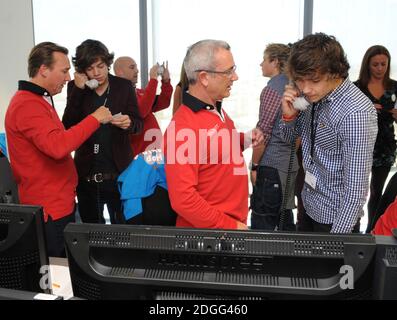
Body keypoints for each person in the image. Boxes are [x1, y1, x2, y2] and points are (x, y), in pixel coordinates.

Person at [5, 42, 112, 257]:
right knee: (58, 275)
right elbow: (58, 146)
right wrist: (94, 119)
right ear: (43, 69)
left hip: (59, 203)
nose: (67, 78)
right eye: (63, 71)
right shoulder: (28, 105)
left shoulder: (38, 100)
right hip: (49, 209)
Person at [280, 33, 378, 233]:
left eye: (313, 80)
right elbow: (289, 139)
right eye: (299, 80)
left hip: (334, 220)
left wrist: (335, 242)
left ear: (335, 72)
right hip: (308, 203)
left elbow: (356, 191)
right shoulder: (315, 96)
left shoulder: (355, 112)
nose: (305, 89)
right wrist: (289, 118)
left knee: (323, 266)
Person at [163, 39, 264, 230]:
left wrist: (244, 139)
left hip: (226, 231)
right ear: (204, 77)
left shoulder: (215, 110)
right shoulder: (182, 129)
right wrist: (231, 227)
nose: (235, 77)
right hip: (210, 238)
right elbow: (183, 200)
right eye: (228, 72)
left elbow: (213, 151)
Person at [62, 39, 143, 225]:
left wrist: (129, 123)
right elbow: (67, 125)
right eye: (90, 69)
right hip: (87, 175)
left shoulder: (123, 86)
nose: (97, 73)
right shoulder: (76, 88)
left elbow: (139, 124)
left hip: (120, 174)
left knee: (124, 233)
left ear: (108, 64)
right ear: (82, 71)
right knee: (91, 234)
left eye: (101, 66)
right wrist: (80, 90)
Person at [250, 43, 298, 231]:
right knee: (284, 220)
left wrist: (254, 166)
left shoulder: (272, 89)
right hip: (289, 164)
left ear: (275, 61)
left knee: (263, 223)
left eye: (264, 59)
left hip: (271, 167)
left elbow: (263, 133)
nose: (260, 64)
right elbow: (297, 135)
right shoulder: (294, 86)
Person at [354, 45, 397, 233]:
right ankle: (353, 228)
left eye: (383, 64)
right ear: (367, 65)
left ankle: (373, 231)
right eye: (375, 65)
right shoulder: (357, 88)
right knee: (357, 190)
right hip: (360, 144)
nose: (380, 69)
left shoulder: (394, 86)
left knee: (377, 191)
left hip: (385, 145)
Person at [113, 57, 173, 155]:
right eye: (132, 67)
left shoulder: (140, 92)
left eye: (136, 67)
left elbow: (164, 103)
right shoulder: (118, 95)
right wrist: (153, 80)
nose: (137, 71)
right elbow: (140, 112)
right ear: (120, 72)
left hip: (155, 152)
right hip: (139, 156)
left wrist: (166, 82)